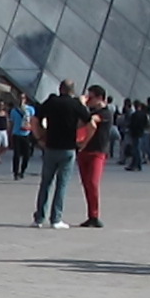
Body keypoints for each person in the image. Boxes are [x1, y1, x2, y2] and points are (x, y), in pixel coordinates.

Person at [30, 80, 88, 229]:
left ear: (60, 89)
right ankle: (56, 219)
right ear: (72, 91)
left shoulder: (51, 101)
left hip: (50, 147)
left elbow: (35, 119)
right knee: (61, 185)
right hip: (68, 148)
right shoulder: (75, 104)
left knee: (45, 183)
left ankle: (39, 218)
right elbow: (88, 120)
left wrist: (39, 138)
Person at [76, 85, 112, 228]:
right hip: (84, 151)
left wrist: (82, 104)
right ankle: (91, 215)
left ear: (99, 98)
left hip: (97, 152)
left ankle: (95, 215)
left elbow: (92, 121)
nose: (88, 100)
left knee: (92, 183)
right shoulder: (89, 111)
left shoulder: (105, 113)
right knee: (86, 184)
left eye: (91, 97)